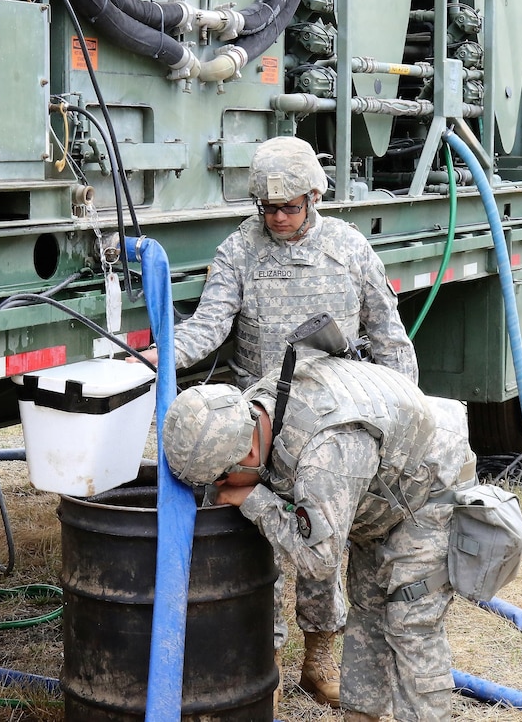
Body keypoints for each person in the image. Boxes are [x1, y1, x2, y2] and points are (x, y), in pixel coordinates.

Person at [132, 135, 419, 706]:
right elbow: (209, 325)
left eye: (290, 207)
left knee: (321, 543)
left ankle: (320, 658)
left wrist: (403, 409)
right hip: (258, 430)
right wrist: (160, 352)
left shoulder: (349, 248)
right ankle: (265, 664)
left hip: (332, 425)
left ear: (315, 196)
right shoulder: (240, 251)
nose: (279, 218)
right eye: (268, 209)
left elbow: (390, 338)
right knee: (262, 543)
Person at [162, 356, 476, 722]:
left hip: (430, 491)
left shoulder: (324, 457)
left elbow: (319, 562)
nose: (217, 494)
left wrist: (254, 500)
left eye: (218, 481)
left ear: (247, 454)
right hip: (377, 486)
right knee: (368, 610)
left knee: (411, 622)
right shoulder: (246, 411)